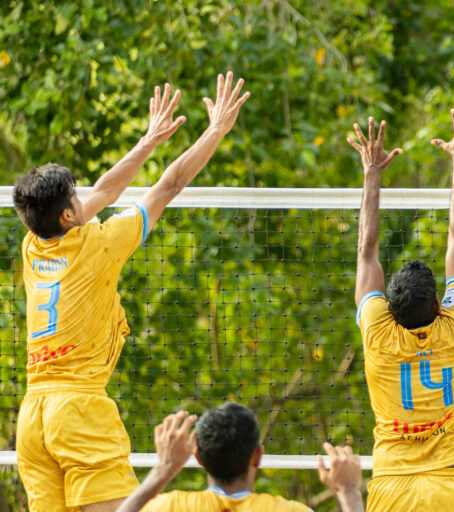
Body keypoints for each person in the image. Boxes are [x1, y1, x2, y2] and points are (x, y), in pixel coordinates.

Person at [13, 71, 249, 512]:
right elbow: (169, 186)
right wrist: (216, 129)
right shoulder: (99, 243)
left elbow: (105, 190)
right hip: (78, 410)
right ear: (68, 216)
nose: (83, 199)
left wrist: (150, 140)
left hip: (33, 416)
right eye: (75, 197)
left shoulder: (33, 244)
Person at [350, 108, 454, 511]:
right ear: (438, 304)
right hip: (451, 484)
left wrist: (371, 173)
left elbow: (366, 252)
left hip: (391, 485)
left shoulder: (378, 330)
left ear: (390, 308)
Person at [115, 403, 364, 512]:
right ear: (258, 456)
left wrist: (164, 468)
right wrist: (349, 492)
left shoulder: (167, 508)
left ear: (198, 458)